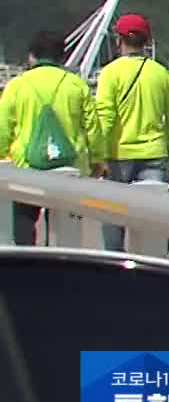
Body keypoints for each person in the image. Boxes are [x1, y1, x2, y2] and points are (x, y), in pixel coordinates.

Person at [89, 13, 169, 252]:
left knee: (112, 213)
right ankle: (157, 260)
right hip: (154, 151)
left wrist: (98, 155)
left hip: (118, 154)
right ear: (146, 41)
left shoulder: (110, 73)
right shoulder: (160, 73)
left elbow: (106, 118)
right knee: (156, 213)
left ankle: (115, 261)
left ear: (119, 40)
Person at [0, 30, 94, 245]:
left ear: (32, 56)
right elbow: (93, 128)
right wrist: (97, 159)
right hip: (69, 166)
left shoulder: (18, 85)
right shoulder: (76, 85)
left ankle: (28, 265)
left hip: (26, 165)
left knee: (23, 222)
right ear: (61, 57)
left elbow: (3, 128)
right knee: (65, 228)